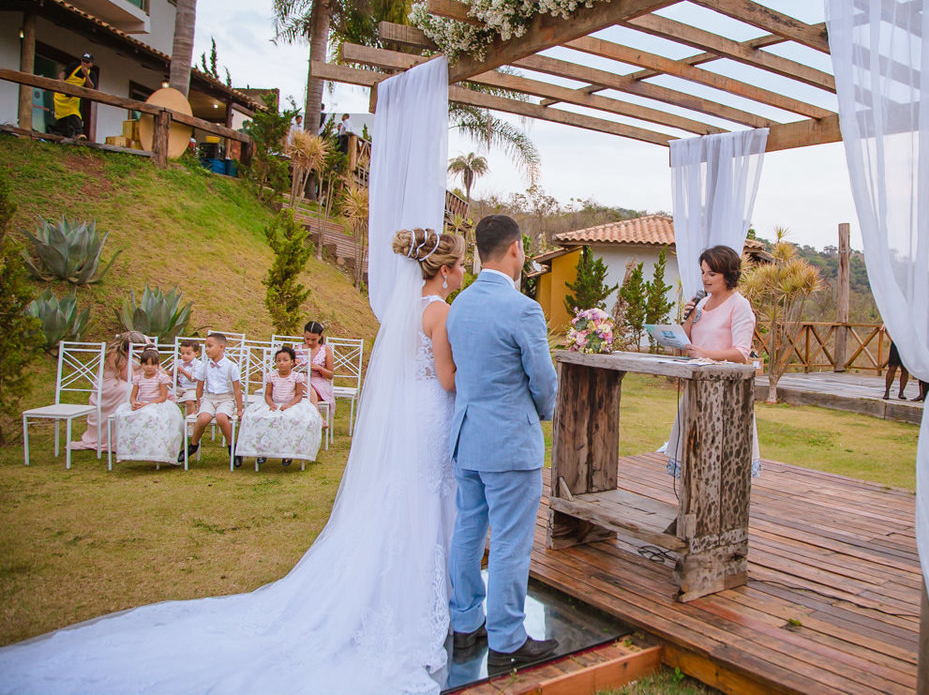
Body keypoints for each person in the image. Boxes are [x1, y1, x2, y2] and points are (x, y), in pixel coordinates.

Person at [0, 222, 472, 694]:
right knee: (428, 492)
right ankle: (427, 601)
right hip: (429, 413)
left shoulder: (403, 310)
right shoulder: (440, 313)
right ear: (445, 270)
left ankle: (394, 594)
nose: (462, 271)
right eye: (460, 265)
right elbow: (447, 379)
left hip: (408, 415)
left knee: (402, 494)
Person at [446, 214, 559, 673]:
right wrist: (543, 412)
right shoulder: (522, 308)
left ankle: (465, 622)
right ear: (515, 248)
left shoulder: (459, 303)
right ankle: (508, 636)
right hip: (510, 441)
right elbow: (544, 380)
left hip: (468, 436)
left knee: (468, 531)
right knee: (511, 541)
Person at [659, 245, 762, 478]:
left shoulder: (740, 305)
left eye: (712, 274)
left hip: (725, 392)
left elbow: (741, 353)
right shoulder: (701, 304)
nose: (705, 278)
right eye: (703, 272)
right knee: (693, 453)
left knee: (718, 457)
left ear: (729, 275)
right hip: (697, 386)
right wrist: (689, 319)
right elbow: (687, 344)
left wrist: (705, 353)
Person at [237, 345, 322, 467]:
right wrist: (271, 404)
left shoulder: (296, 376)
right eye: (279, 360)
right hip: (274, 402)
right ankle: (261, 451)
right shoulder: (272, 376)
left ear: (292, 362)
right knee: (256, 418)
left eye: (285, 360)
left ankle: (288, 453)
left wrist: (289, 405)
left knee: (294, 420)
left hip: (291, 403)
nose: (282, 363)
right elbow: (267, 394)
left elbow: (299, 395)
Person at [70, 331, 147, 452]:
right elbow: (128, 377)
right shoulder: (115, 355)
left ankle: (134, 433)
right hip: (109, 387)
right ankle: (116, 437)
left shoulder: (128, 355)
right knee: (130, 389)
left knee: (140, 389)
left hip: (120, 383)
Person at [179, 333, 243, 467]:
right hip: (208, 398)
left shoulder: (231, 366)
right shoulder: (204, 366)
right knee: (203, 419)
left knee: (221, 418)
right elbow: (199, 388)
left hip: (225, 398)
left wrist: (239, 409)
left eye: (209, 346)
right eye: (205, 346)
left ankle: (233, 447)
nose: (206, 349)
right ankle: (193, 445)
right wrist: (199, 404)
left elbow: (237, 390)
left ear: (221, 347)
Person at [112, 348, 184, 465]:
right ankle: (127, 450)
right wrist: (134, 402)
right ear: (142, 365)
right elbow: (133, 396)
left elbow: (163, 397)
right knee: (123, 415)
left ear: (157, 365)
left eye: (153, 364)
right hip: (142, 403)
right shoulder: (138, 378)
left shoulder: (161, 378)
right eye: (146, 364)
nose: (149, 367)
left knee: (151, 416)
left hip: (156, 403)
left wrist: (148, 404)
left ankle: (155, 450)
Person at [297, 321, 335, 432]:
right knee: (301, 379)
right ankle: (318, 416)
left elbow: (331, 375)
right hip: (299, 383)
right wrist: (294, 363)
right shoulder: (297, 348)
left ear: (320, 336)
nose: (309, 342)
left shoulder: (326, 349)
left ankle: (315, 420)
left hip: (318, 383)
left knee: (303, 382)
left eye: (313, 339)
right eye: (307, 338)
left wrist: (319, 368)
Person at [50, 53, 94, 140]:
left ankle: (79, 133)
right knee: (63, 117)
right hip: (62, 96)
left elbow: (91, 87)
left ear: (91, 64)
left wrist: (86, 75)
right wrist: (62, 81)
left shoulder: (91, 74)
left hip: (73, 98)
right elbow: (62, 74)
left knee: (74, 113)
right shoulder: (74, 66)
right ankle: (59, 133)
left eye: (87, 62)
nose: (84, 63)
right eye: (83, 61)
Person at [175, 339, 201, 417]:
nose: (185, 356)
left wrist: (183, 371)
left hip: (193, 389)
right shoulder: (179, 362)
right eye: (182, 353)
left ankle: (190, 423)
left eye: (188, 353)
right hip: (179, 388)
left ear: (196, 353)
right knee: (166, 398)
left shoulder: (199, 365)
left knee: (189, 401)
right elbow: (169, 374)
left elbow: (194, 379)